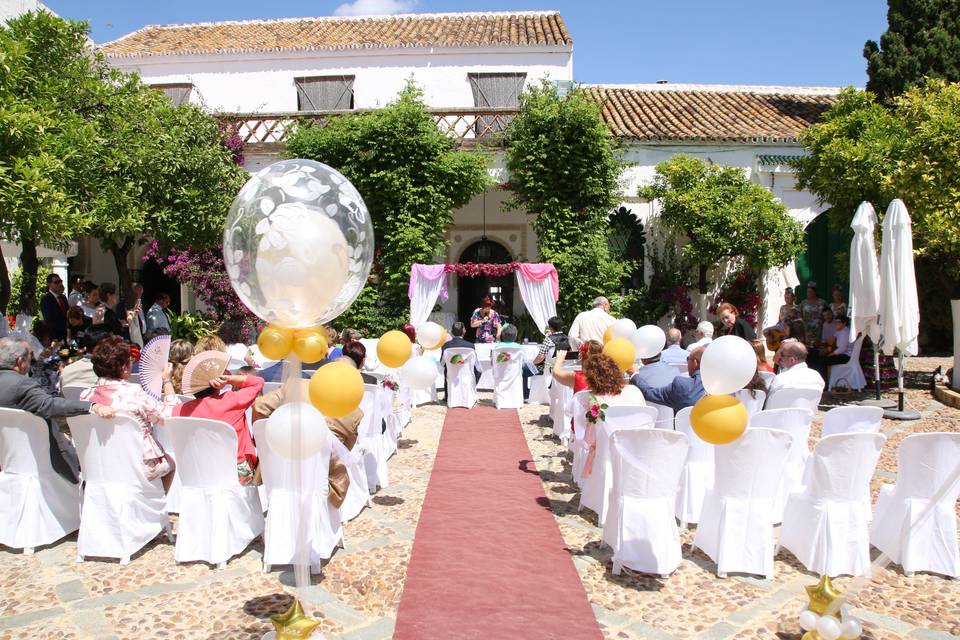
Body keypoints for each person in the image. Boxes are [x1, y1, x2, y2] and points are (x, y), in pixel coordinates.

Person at [0, 337, 114, 484]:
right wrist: (91, 406)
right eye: (30, 359)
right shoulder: (22, 385)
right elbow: (50, 405)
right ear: (20, 362)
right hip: (40, 459)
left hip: (8, 457)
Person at [80, 335, 176, 490]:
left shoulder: (85, 396)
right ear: (124, 367)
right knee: (170, 464)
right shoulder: (135, 393)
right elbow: (170, 417)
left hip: (100, 461)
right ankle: (154, 507)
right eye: (130, 360)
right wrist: (167, 381)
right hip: (136, 464)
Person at [252, 381, 362, 508]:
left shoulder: (296, 386)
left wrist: (265, 437)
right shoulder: (353, 411)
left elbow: (259, 406)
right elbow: (346, 450)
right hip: (320, 477)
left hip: (279, 468)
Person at [173, 353, 264, 486]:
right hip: (236, 472)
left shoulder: (178, 410)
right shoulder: (232, 401)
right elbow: (258, 382)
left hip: (199, 471)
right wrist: (228, 379)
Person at [630, 346, 706, 414]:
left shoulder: (682, 386)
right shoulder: (716, 387)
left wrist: (635, 375)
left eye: (688, 359)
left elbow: (650, 393)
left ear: (695, 362)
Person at [766, 339, 825, 405]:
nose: (780, 357)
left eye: (782, 354)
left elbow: (768, 403)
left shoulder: (781, 379)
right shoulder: (817, 377)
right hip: (805, 414)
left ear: (792, 360)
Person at [809, 314, 854, 381]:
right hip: (840, 354)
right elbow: (831, 340)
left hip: (845, 356)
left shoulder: (845, 332)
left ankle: (823, 382)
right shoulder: (840, 331)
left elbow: (842, 349)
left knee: (822, 361)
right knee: (814, 354)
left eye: (838, 322)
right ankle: (813, 378)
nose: (836, 324)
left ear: (844, 323)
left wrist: (830, 354)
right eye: (835, 322)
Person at [39, 273, 69, 341]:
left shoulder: (63, 298)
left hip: (66, 335)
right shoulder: (46, 300)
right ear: (49, 284)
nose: (60, 284)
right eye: (56, 282)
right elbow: (49, 321)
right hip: (55, 337)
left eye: (61, 281)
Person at [800, 282, 826, 347]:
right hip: (807, 331)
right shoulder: (803, 303)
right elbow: (800, 316)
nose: (808, 293)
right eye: (807, 292)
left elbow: (827, 314)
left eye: (810, 292)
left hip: (819, 330)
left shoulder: (822, 302)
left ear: (815, 292)